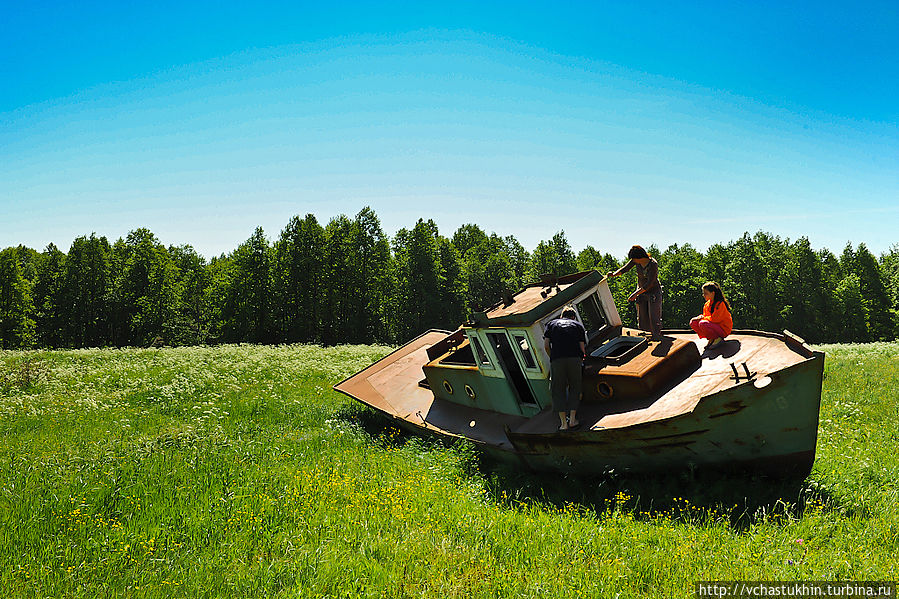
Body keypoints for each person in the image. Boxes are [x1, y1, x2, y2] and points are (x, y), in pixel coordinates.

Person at [543, 306, 587, 431]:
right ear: (573, 317)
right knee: (575, 386)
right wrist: (582, 360)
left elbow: (546, 345)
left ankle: (563, 424)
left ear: (561, 316)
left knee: (558, 389)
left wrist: (553, 358)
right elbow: (582, 349)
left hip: (557, 360)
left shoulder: (551, 324)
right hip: (575, 359)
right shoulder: (577, 326)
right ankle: (573, 420)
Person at [607, 245, 663, 340]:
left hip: (653, 292)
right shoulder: (635, 262)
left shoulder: (653, 264)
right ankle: (645, 337)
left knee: (653, 317)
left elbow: (649, 283)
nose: (633, 261)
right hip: (641, 291)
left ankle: (656, 336)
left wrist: (635, 293)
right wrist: (614, 274)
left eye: (634, 259)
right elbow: (625, 269)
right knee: (642, 317)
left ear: (639, 257)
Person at [690, 281, 733, 349]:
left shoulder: (720, 304)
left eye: (706, 293)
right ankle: (711, 338)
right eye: (703, 293)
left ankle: (717, 338)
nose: (704, 295)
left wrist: (702, 318)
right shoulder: (707, 304)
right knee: (693, 322)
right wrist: (698, 318)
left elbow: (715, 319)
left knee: (703, 323)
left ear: (713, 293)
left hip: (723, 329)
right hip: (713, 325)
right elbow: (707, 316)